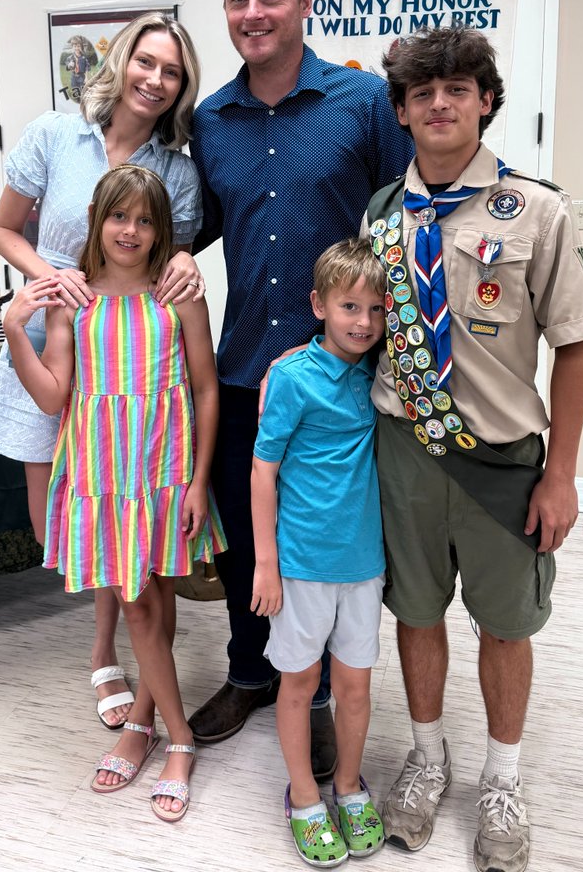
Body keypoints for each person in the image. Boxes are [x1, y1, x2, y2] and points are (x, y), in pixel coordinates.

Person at [365, 28, 583, 872]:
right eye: (423, 92)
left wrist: (563, 475)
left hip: (503, 463)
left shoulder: (536, 209)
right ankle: (428, 756)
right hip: (402, 452)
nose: (440, 102)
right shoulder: (380, 216)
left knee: (506, 626)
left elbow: (576, 345)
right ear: (400, 110)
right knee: (418, 613)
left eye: (459, 88)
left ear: (486, 102)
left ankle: (502, 776)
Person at [188, 0, 413, 776]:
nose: (254, 13)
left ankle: (315, 692)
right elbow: (202, 224)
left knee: (326, 540)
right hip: (246, 367)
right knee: (247, 542)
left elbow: (402, 217)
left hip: (344, 378)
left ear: (305, 1)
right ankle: (253, 672)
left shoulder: (359, 102)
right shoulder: (211, 120)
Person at [0, 13, 206, 732]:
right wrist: (51, 282)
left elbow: (177, 253)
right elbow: (2, 227)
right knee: (59, 530)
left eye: (170, 72)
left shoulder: (177, 167)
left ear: (180, 87)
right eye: (146, 62)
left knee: (118, 507)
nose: (154, 79)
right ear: (123, 61)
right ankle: (112, 634)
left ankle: (106, 649)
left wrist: (182, 260)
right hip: (55, 341)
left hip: (132, 369)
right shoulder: (56, 134)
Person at [2, 164, 225, 818]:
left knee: (155, 594)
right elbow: (52, 397)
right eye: (118, 216)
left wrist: (199, 480)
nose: (130, 230)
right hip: (103, 478)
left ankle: (147, 723)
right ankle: (179, 739)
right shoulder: (76, 299)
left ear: (161, 231)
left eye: (146, 219)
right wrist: (17, 330)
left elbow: (207, 388)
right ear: (98, 221)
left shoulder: (176, 292)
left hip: (164, 469)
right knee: (136, 606)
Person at [251, 239, 388, 865]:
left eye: (376, 309)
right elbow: (262, 469)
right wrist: (265, 563)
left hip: (363, 565)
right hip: (301, 565)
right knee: (300, 682)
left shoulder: (382, 370)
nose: (363, 322)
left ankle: (349, 786)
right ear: (319, 306)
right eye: (349, 307)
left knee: (355, 687)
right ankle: (304, 796)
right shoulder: (291, 378)